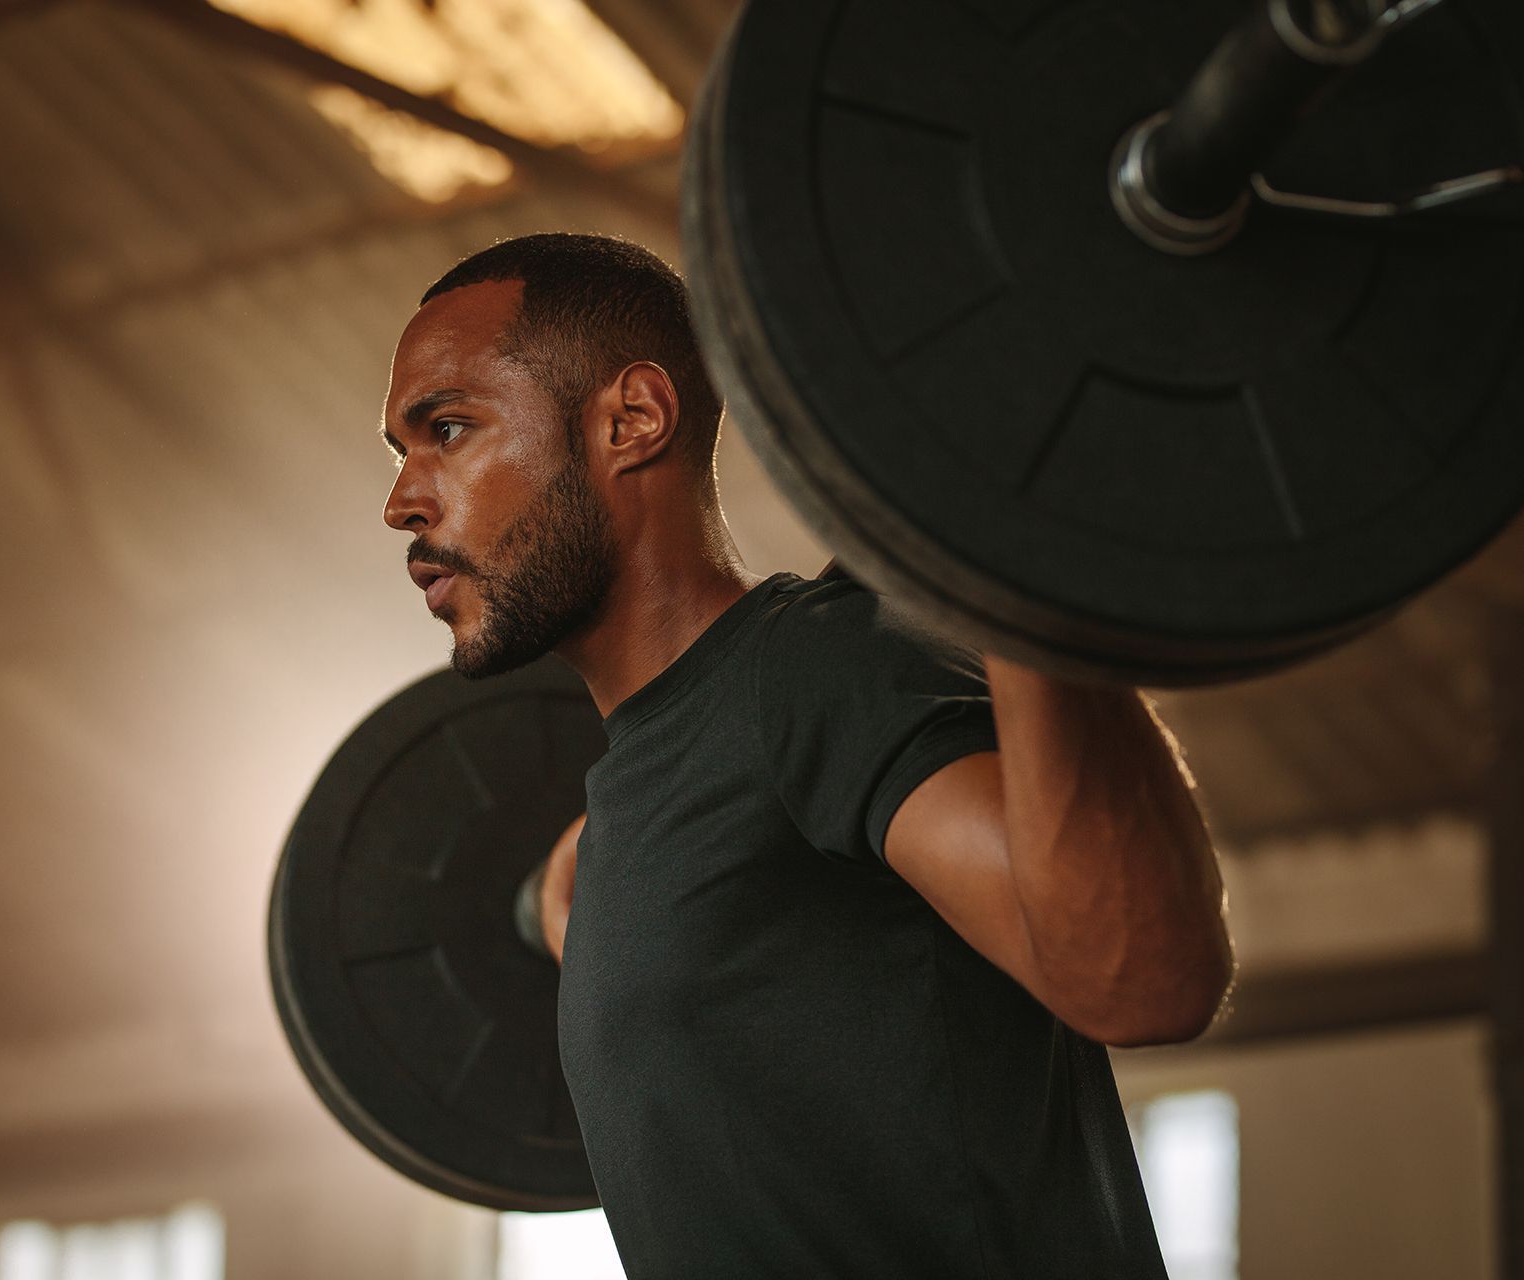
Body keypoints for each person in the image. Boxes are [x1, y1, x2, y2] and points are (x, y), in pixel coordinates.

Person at [380, 232, 1233, 1278]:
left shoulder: (819, 672)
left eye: (447, 429)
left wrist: (1014, 542)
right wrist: (563, 891)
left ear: (631, 419)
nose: (403, 501)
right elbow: (678, 899)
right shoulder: (627, 814)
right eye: (400, 453)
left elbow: (1143, 976)